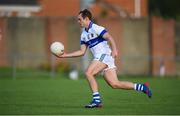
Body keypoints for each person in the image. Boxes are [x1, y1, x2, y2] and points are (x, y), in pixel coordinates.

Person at [54, 9, 152, 108]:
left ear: (86, 19)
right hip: (102, 58)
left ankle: (97, 100)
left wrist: (114, 50)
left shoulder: (96, 28)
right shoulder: (83, 35)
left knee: (89, 73)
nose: (78, 22)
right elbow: (82, 52)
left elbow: (109, 37)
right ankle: (142, 87)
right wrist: (64, 55)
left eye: (80, 19)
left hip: (104, 55)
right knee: (115, 84)